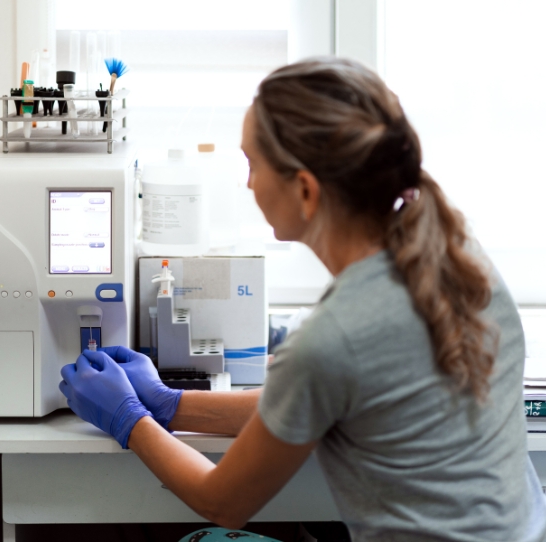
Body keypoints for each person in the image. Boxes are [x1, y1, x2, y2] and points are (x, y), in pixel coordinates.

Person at [59, 57, 546, 542]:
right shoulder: (458, 255)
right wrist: (170, 404)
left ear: (306, 190)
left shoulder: (334, 338)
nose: (247, 183)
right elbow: (312, 401)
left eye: (252, 164)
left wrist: (130, 420)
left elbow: (222, 501)